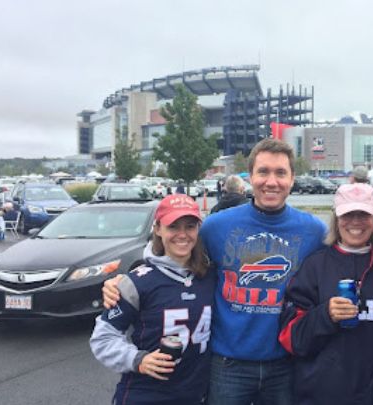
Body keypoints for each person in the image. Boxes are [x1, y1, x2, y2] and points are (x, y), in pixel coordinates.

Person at [103, 138, 326, 405]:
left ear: (292, 179)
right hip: (227, 365)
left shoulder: (314, 230)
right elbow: (177, 255)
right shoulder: (216, 226)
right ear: (250, 177)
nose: (271, 181)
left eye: (280, 173)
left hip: (285, 363)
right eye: (263, 171)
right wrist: (126, 281)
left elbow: (339, 263)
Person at [90, 194, 216, 405]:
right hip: (146, 395)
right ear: (157, 229)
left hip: (195, 395)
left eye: (190, 226)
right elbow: (102, 339)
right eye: (173, 226)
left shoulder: (210, 275)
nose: (182, 234)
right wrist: (138, 359)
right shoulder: (138, 281)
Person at [279, 183, 373, 404]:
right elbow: (291, 339)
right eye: (348, 214)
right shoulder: (315, 266)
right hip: (321, 393)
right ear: (336, 220)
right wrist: (325, 315)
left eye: (363, 214)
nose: (355, 222)